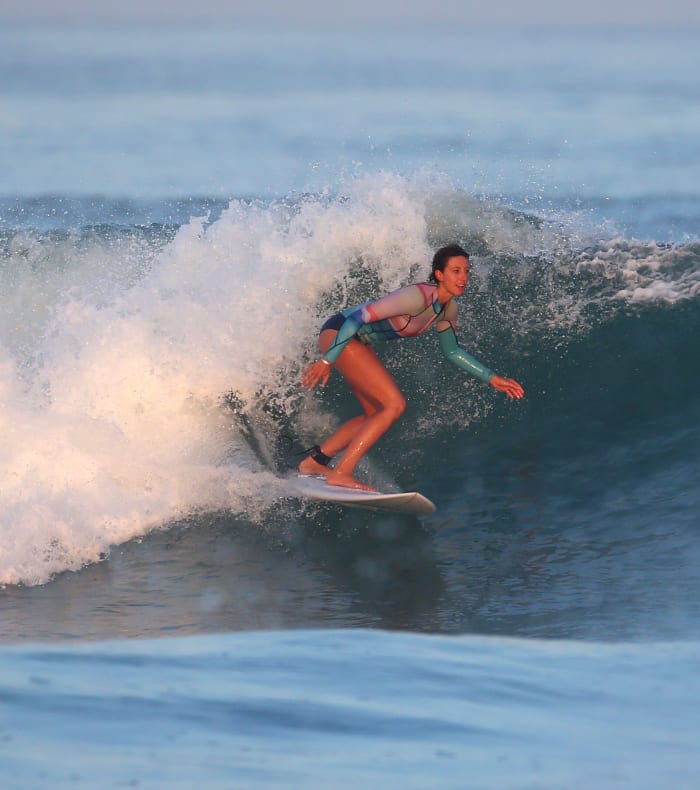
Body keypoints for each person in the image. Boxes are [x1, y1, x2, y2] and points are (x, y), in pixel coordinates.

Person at [299, 244, 524, 491]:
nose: (463, 278)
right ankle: (342, 472)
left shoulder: (448, 309)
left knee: (375, 412)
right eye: (456, 271)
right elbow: (356, 319)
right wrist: (327, 360)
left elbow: (452, 351)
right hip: (339, 333)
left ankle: (315, 462)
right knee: (394, 404)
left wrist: (492, 378)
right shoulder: (416, 297)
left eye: (466, 271)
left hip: (357, 342)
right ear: (439, 274)